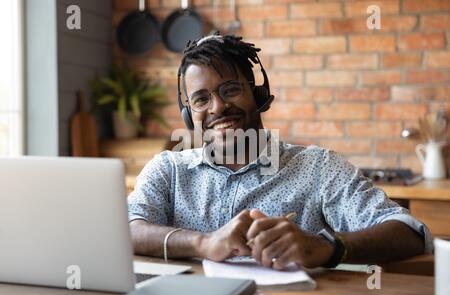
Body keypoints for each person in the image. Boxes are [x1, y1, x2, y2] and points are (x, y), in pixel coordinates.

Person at [128, 33, 432, 270]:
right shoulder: (168, 169)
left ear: (258, 94)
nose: (218, 107)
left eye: (230, 90)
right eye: (201, 99)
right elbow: (128, 230)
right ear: (188, 114)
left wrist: (325, 247)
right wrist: (203, 243)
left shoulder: (318, 167)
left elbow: (410, 233)